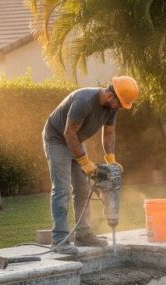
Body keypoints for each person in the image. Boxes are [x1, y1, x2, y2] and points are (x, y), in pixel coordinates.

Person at [43, 75, 139, 253]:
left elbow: (109, 134)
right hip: (57, 139)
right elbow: (68, 133)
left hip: (76, 140)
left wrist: (110, 158)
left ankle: (83, 235)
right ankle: (59, 240)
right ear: (111, 96)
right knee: (62, 189)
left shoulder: (112, 108)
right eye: (119, 103)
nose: (119, 107)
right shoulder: (83, 101)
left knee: (83, 190)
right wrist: (84, 161)